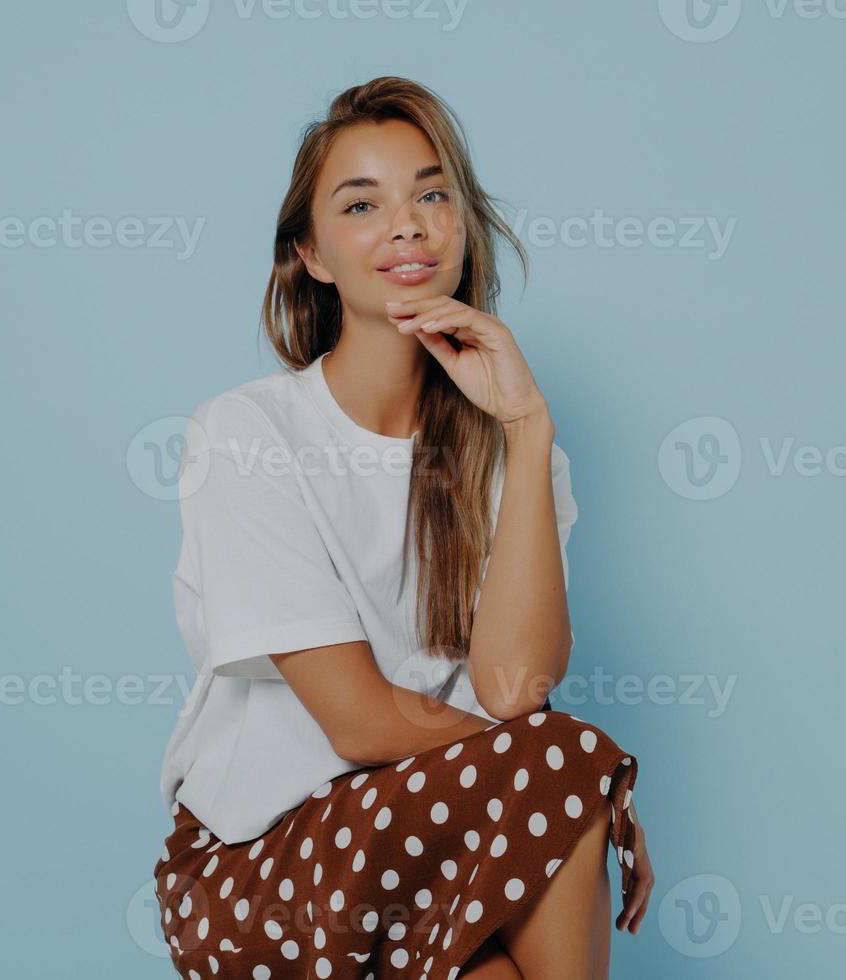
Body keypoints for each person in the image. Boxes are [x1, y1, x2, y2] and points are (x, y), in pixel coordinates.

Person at [152, 76, 652, 980]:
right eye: (361, 204)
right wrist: (579, 780)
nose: (409, 225)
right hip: (257, 871)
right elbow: (363, 723)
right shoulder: (248, 434)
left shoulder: (511, 449)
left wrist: (528, 430)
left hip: (442, 840)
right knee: (565, 762)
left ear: (464, 226)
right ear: (310, 253)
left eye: (432, 195)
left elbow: (510, 688)